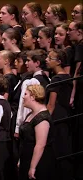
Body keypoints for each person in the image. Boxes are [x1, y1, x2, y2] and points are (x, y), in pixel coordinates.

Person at [45, 49, 73, 180]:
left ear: (59, 62)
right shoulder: (68, 77)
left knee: (56, 147)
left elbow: (51, 104)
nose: (46, 60)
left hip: (56, 115)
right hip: (65, 114)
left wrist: (45, 120)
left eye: (50, 58)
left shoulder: (57, 79)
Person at [19, 85, 56, 180]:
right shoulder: (31, 114)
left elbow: (40, 145)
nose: (23, 97)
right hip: (27, 158)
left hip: (39, 162)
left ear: (33, 96)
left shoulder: (42, 117)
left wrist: (32, 167)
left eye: (26, 94)